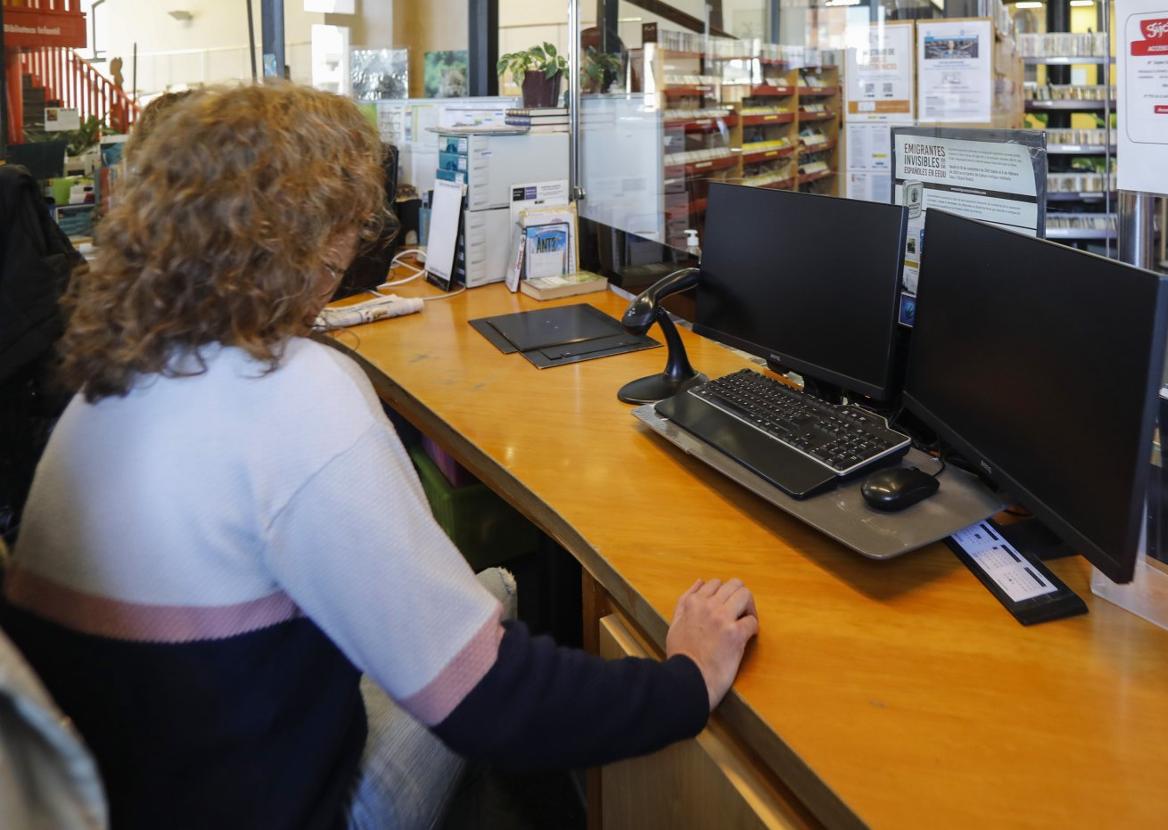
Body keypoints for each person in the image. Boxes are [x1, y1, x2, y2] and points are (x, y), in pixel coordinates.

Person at [0, 83, 759, 829]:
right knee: (493, 592)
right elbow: (495, 703)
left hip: (137, 783)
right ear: (297, 239)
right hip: (291, 806)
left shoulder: (105, 379)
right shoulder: (293, 390)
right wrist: (686, 680)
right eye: (346, 229)